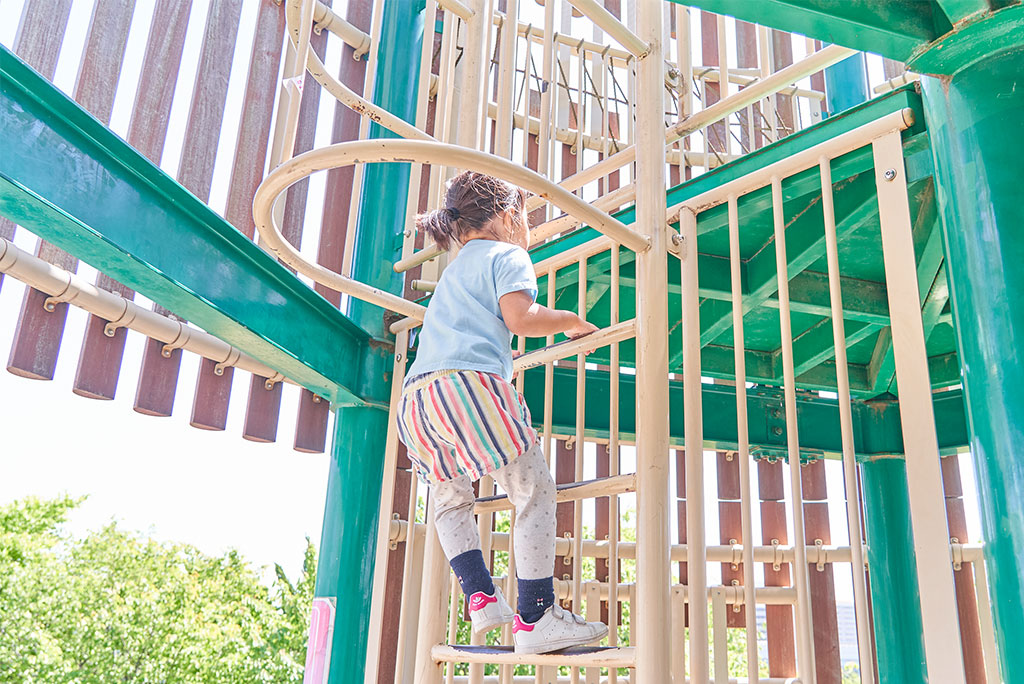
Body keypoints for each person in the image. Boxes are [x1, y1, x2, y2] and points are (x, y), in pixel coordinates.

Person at [396, 171, 608, 655]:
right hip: (469, 384)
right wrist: (571, 321)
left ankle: (481, 597)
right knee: (533, 489)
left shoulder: (452, 272)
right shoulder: (508, 254)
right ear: (511, 216)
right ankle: (536, 615)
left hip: (417, 399)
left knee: (448, 499)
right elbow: (520, 318)